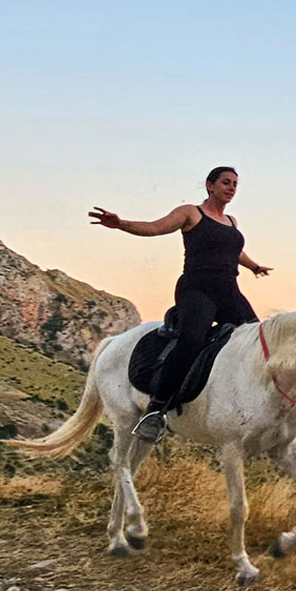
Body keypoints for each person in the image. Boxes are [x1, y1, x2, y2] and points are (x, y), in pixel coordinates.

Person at [88, 166, 272, 442]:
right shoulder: (190, 213)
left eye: (235, 184)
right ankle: (156, 409)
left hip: (229, 291)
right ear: (210, 186)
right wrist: (121, 224)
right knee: (191, 340)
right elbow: (154, 227)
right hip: (197, 290)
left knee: (259, 341)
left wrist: (253, 266)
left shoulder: (232, 222)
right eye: (226, 182)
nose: (232, 187)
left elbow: (233, 251)